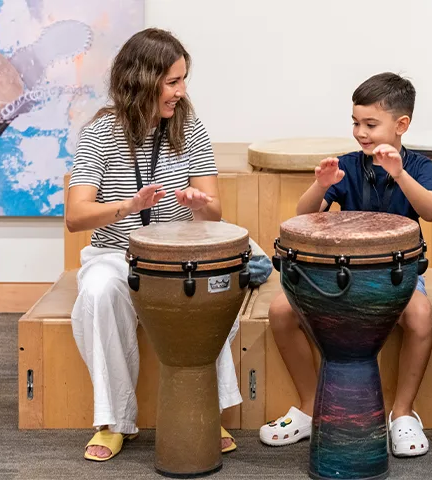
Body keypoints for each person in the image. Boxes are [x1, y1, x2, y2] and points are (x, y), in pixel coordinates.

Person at [66, 28, 270, 462]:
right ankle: (113, 421)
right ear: (142, 80)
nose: (181, 91)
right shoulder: (100, 133)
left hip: (183, 255)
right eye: (173, 82)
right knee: (99, 292)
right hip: (116, 255)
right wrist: (128, 205)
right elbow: (76, 216)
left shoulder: (189, 128)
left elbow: (213, 212)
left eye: (183, 80)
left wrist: (200, 206)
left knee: (209, 296)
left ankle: (201, 411)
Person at [259, 72, 432, 457]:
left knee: (422, 316)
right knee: (279, 311)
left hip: (396, 277)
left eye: (370, 124)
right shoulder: (347, 164)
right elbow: (303, 216)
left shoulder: (419, 166)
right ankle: (311, 406)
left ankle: (403, 413)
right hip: (341, 275)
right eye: (356, 122)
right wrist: (321, 185)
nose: (360, 131)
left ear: (401, 124)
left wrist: (399, 174)